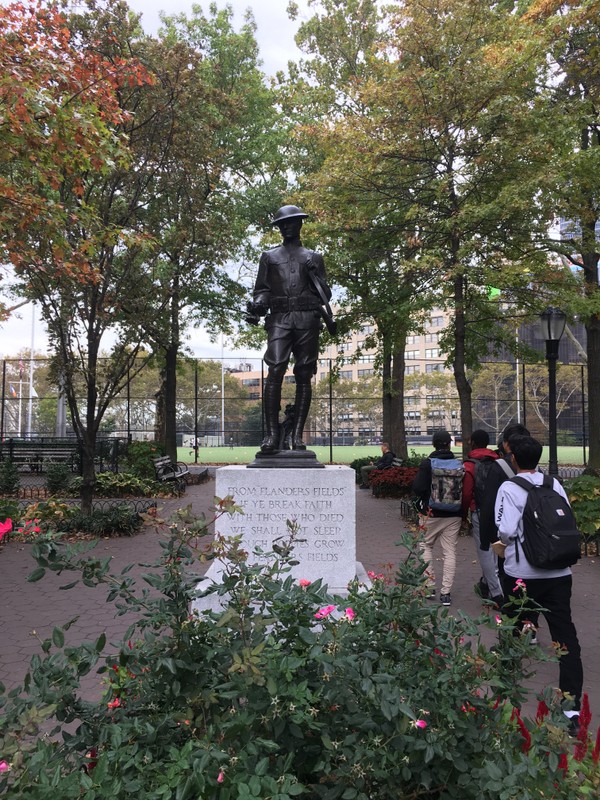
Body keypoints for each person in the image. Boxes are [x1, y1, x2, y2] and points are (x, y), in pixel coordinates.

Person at [494, 434, 583, 733]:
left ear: (513, 458)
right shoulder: (554, 484)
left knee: (512, 633)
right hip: (559, 574)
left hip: (522, 573)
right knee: (565, 638)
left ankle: (506, 702)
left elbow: (505, 531)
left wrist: (504, 542)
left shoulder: (509, 487)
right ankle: (571, 709)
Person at [246, 205, 332, 452]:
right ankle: (272, 436)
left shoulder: (313, 257)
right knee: (275, 371)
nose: (286, 227)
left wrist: (316, 279)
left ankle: (296, 437)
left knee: (304, 374)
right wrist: (258, 305)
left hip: (307, 320)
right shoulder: (269, 257)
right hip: (280, 319)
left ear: (300, 224)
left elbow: (325, 293)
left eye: (291, 222)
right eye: (282, 224)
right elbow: (262, 290)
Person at [412, 430, 467, 606]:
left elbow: (418, 488)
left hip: (431, 513)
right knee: (449, 551)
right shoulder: (458, 464)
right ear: (449, 444)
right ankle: (446, 593)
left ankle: (429, 585)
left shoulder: (428, 463)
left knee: (425, 545)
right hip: (454, 514)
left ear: (434, 444)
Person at [463, 429, 504, 607]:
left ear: (472, 442)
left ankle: (497, 594)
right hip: (500, 510)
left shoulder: (469, 464)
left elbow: (466, 493)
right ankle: (488, 584)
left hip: (480, 511)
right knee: (497, 548)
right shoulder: (499, 462)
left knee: (485, 551)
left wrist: (465, 512)